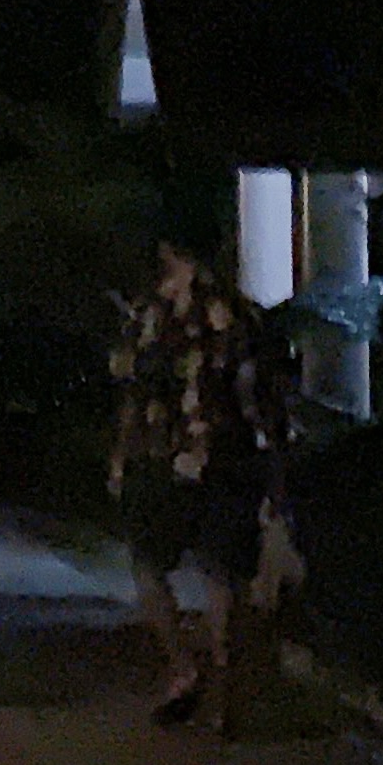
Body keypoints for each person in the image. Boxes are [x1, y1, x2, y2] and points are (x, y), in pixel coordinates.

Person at [109, 235, 289, 733]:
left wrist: (121, 457)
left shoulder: (148, 314)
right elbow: (263, 398)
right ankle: (226, 689)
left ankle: (183, 669)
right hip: (230, 457)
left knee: (148, 564)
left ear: (168, 251)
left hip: (161, 457)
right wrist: (274, 467)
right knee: (222, 575)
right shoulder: (242, 315)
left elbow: (131, 392)